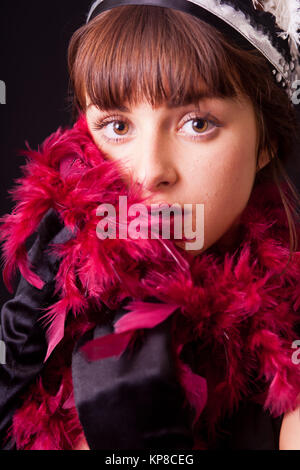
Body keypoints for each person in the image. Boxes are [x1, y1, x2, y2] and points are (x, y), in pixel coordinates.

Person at [1, 0, 300, 450]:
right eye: (117, 126)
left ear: (266, 143)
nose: (148, 171)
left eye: (197, 123)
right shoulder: (37, 322)